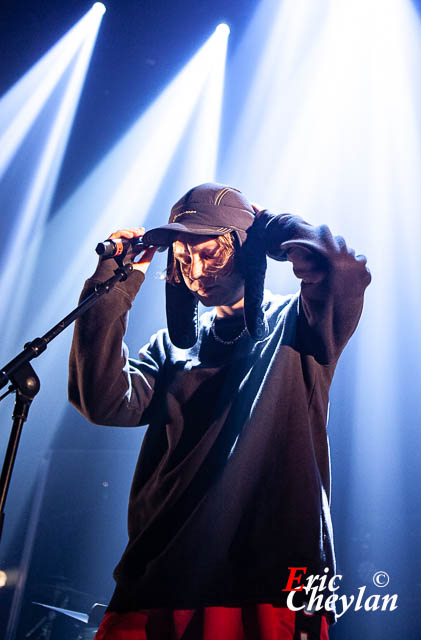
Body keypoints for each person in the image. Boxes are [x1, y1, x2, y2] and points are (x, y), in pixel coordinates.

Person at [69, 183, 371, 640]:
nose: (195, 271)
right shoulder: (169, 348)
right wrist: (114, 284)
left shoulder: (300, 326)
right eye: (184, 259)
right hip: (160, 576)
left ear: (246, 250)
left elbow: (343, 269)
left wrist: (272, 228)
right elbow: (101, 398)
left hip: (267, 580)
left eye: (209, 254)